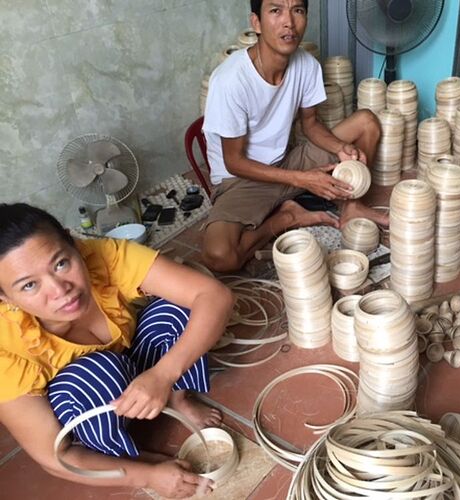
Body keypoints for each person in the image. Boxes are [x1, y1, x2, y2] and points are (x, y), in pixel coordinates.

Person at [0, 203, 234, 498]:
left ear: (74, 244)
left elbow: (214, 296)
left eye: (61, 264)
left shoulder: (102, 255)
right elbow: (53, 457)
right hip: (91, 399)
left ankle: (176, 399)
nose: (60, 290)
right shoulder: (4, 347)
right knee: (95, 372)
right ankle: (124, 456)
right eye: (30, 285)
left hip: (138, 368)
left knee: (175, 309)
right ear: (4, 297)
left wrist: (163, 376)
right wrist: (148, 476)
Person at [202, 0, 388, 272]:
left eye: (297, 10)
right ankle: (286, 218)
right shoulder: (230, 80)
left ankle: (352, 208)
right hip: (242, 180)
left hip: (286, 162)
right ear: (256, 23)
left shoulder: (307, 65)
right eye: (276, 10)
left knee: (367, 122)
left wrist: (341, 147)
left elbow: (311, 125)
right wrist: (303, 180)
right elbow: (234, 162)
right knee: (220, 256)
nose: (289, 22)